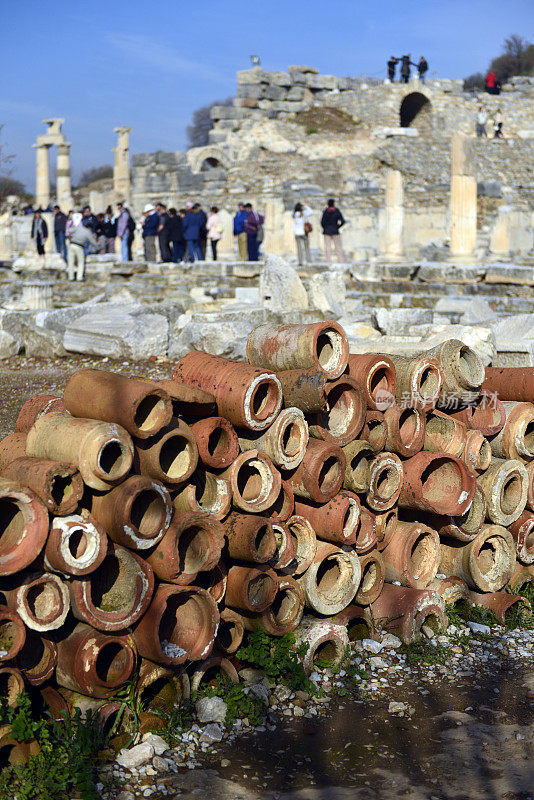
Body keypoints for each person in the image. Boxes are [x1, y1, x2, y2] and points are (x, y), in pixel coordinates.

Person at [66, 212, 98, 281]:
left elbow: (69, 230)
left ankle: (71, 277)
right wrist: (98, 248)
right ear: (90, 228)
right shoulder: (88, 233)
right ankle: (79, 278)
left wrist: (70, 236)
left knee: (71, 262)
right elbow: (93, 242)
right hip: (79, 246)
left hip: (71, 245)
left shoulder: (79, 228)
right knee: (81, 262)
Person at [321, 198, 346, 263]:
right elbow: (343, 221)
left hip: (327, 231)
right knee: (338, 247)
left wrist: (325, 227)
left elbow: (322, 222)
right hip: (335, 231)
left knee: (328, 248)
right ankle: (341, 261)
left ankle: (328, 261)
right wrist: (337, 227)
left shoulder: (325, 211)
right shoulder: (337, 211)